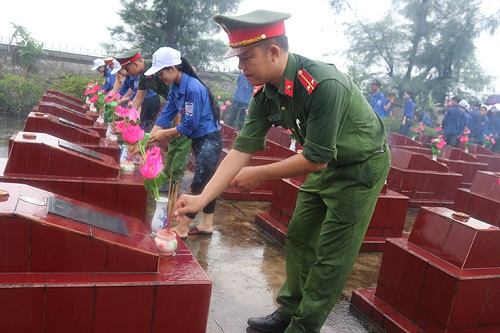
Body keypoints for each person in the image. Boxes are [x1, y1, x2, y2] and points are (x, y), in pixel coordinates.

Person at [173, 10, 391, 333]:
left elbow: (315, 158)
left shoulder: (321, 85)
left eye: (246, 58)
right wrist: (200, 198)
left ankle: (304, 327)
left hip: (361, 166)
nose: (240, 67)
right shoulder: (265, 93)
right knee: (300, 235)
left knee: (332, 254)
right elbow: (240, 151)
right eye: (238, 58)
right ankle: (289, 311)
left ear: (274, 52)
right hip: (327, 162)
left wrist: (260, 174)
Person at [145, 47, 222, 239]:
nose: (160, 76)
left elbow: (189, 125)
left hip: (209, 140)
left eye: (161, 72)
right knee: (207, 180)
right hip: (198, 139)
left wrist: (163, 134)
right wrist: (149, 137)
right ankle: (207, 224)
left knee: (199, 183)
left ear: (172, 68)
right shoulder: (177, 88)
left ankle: (183, 227)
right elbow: (167, 113)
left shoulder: (193, 88)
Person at [114, 49, 191, 187]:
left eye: (127, 68)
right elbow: (138, 98)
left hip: (184, 109)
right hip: (173, 108)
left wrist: (177, 124)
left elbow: (178, 96)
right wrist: (128, 118)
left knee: (180, 144)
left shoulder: (160, 68)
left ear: (136, 65)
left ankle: (174, 182)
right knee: (173, 145)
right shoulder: (144, 75)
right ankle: (167, 178)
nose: (127, 72)